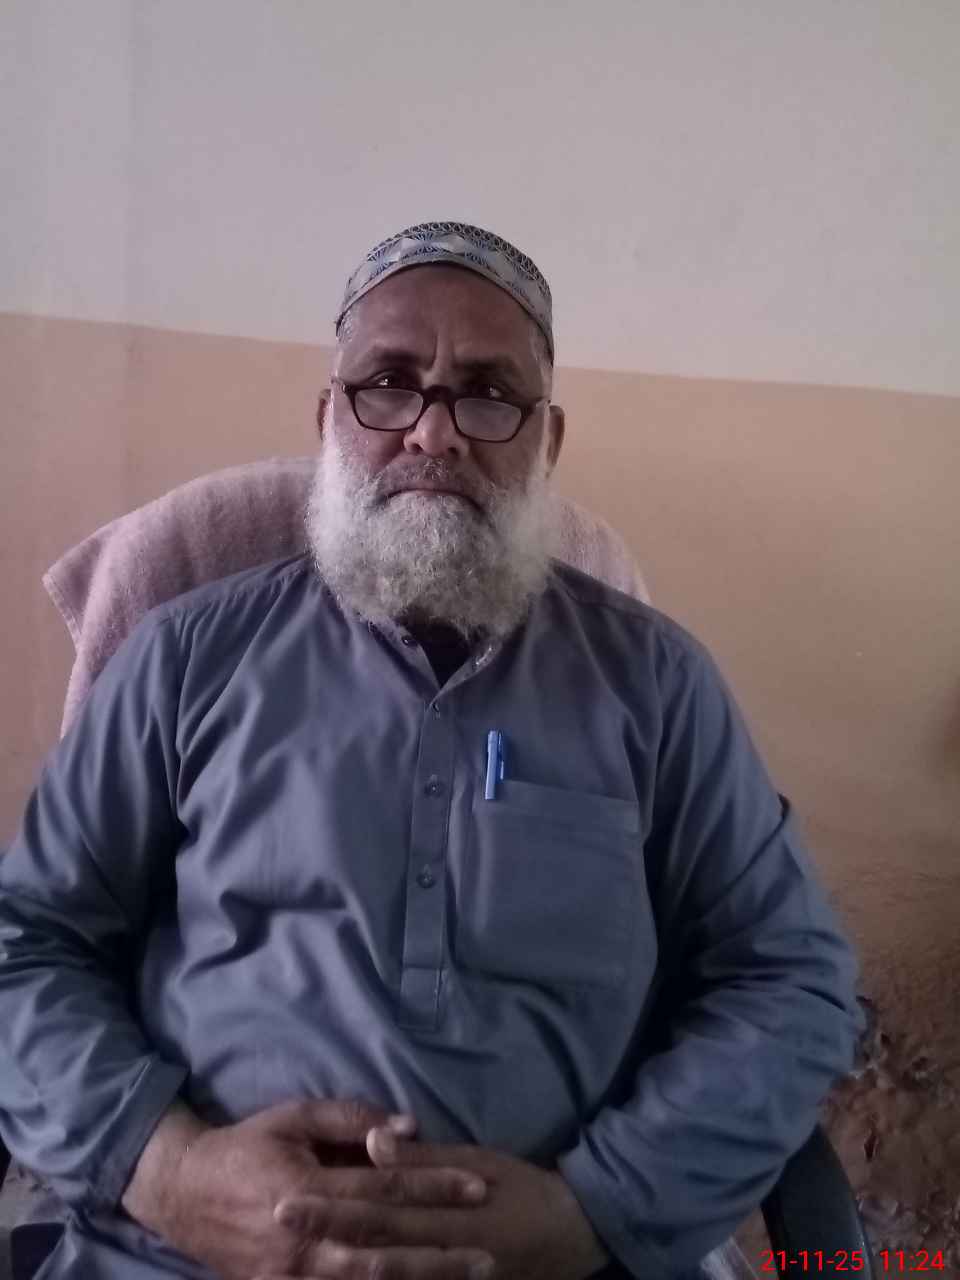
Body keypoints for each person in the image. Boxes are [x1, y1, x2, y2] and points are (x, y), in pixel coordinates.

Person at [0, 221, 864, 1280]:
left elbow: (789, 979)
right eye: (389, 385)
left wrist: (598, 1207)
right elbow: (26, 939)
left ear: (546, 441)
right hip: (180, 1256)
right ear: (330, 419)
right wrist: (168, 1170)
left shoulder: (657, 683)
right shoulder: (185, 657)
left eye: (488, 393)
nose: (433, 434)